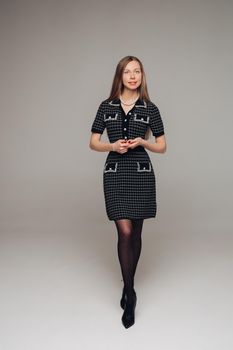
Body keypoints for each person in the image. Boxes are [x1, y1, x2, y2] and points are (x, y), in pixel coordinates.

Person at [89, 55, 167, 329]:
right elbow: (93, 142)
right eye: (127, 72)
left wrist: (142, 142)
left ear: (142, 76)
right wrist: (113, 147)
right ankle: (131, 294)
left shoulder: (150, 108)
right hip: (115, 173)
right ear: (119, 76)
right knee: (124, 232)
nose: (133, 76)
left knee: (136, 233)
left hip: (141, 174)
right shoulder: (105, 106)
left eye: (138, 72)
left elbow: (162, 146)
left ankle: (127, 287)